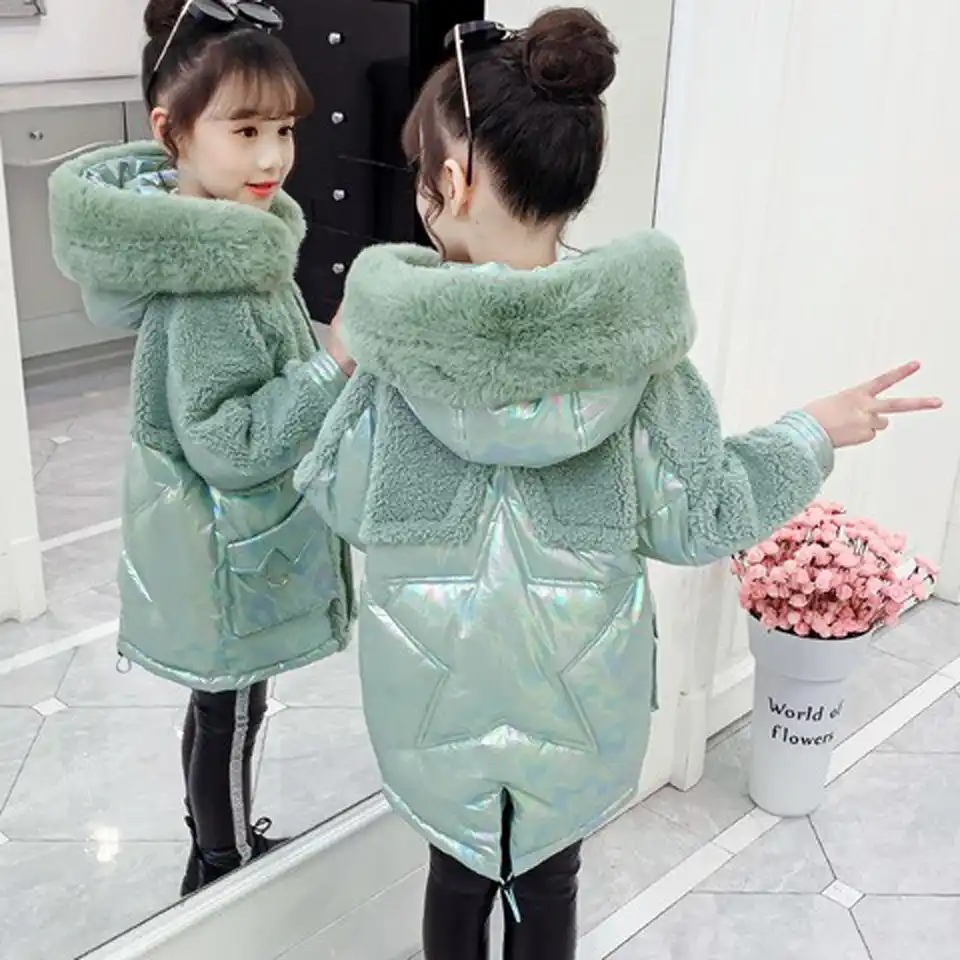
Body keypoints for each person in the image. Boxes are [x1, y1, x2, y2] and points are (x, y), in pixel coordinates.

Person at [295, 8, 941, 960]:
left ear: (451, 180)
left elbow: (336, 492)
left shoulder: (397, 353)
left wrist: (345, 358)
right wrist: (812, 430)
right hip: (579, 694)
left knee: (455, 871)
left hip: (430, 691)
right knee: (548, 877)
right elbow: (704, 514)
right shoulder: (637, 353)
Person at [47, 0, 356, 896]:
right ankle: (223, 869)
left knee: (220, 704)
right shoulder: (215, 277)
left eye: (284, 129)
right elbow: (230, 442)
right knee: (232, 711)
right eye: (245, 129)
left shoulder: (218, 236)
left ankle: (212, 844)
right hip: (225, 544)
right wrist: (332, 364)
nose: (272, 158)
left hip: (213, 542)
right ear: (169, 131)